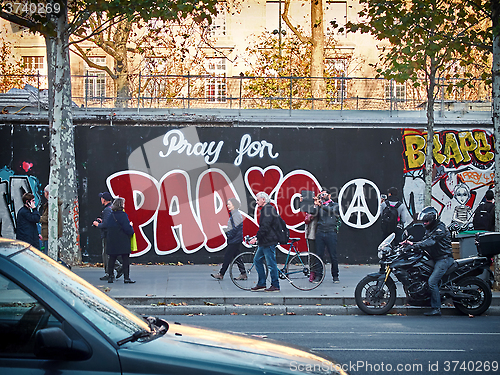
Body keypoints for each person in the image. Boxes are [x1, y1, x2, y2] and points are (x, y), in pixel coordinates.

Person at [402, 206, 453, 316]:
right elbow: (424, 241)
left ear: (433, 219)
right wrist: (411, 243)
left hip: (443, 258)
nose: (424, 223)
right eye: (424, 221)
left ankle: (436, 308)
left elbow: (431, 241)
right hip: (435, 258)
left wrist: (414, 246)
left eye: (426, 221)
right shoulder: (430, 228)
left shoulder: (440, 228)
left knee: (432, 282)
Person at [249, 192, 280, 292]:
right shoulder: (267, 209)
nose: (256, 202)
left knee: (271, 264)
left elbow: (265, 227)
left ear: (264, 199)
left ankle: (275, 285)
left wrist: (256, 238)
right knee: (257, 260)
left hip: (269, 241)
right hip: (265, 241)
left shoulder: (267, 210)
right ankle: (261, 283)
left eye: (258, 200)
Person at [99, 197, 135, 284]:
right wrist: (131, 226)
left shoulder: (111, 215)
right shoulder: (123, 215)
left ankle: (110, 276)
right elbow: (128, 229)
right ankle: (126, 278)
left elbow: (108, 225)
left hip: (112, 240)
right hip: (123, 240)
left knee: (112, 258)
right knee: (125, 259)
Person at [211, 198, 247, 280]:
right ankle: (243, 273)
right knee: (237, 257)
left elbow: (235, 228)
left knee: (227, 256)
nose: (227, 206)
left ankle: (221, 273)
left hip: (234, 240)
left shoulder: (236, 215)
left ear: (234, 205)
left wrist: (229, 235)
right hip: (235, 239)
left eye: (229, 204)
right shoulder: (234, 214)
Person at [313, 188, 340, 283]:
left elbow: (332, 211)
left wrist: (321, 205)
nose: (322, 196)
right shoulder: (319, 206)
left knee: (333, 255)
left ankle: (335, 275)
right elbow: (312, 212)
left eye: (324, 194)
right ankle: (318, 276)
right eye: (321, 195)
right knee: (319, 255)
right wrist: (309, 203)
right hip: (320, 232)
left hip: (331, 232)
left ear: (329, 195)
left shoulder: (335, 205)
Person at [93, 192, 122, 281]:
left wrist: (97, 224)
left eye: (101, 198)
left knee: (106, 254)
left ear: (104, 200)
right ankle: (116, 269)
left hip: (107, 235)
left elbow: (106, 224)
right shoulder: (110, 209)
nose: (100, 200)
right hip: (110, 234)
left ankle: (112, 271)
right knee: (108, 254)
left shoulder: (106, 210)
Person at [39, 185, 63, 255]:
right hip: (52, 233)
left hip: (49, 233)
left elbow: (49, 218)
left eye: (45, 192)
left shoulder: (52, 204)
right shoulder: (56, 203)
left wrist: (38, 218)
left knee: (49, 255)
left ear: (47, 193)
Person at [304, 211, 318, 282]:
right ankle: (312, 272)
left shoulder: (325, 204)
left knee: (319, 254)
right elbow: (307, 220)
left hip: (321, 232)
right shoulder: (310, 206)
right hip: (311, 233)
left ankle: (318, 273)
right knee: (312, 254)